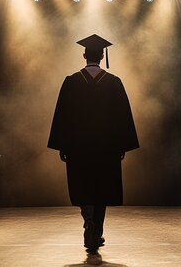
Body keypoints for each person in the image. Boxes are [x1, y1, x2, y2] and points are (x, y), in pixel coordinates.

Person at [48, 34, 139, 259]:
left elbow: (62, 117)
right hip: (106, 148)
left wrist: (63, 145)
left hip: (79, 148)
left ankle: (88, 219)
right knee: (102, 188)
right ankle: (96, 231)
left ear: (84, 55)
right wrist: (121, 146)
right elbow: (123, 118)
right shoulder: (114, 82)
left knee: (82, 186)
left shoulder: (71, 81)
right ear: (102, 56)